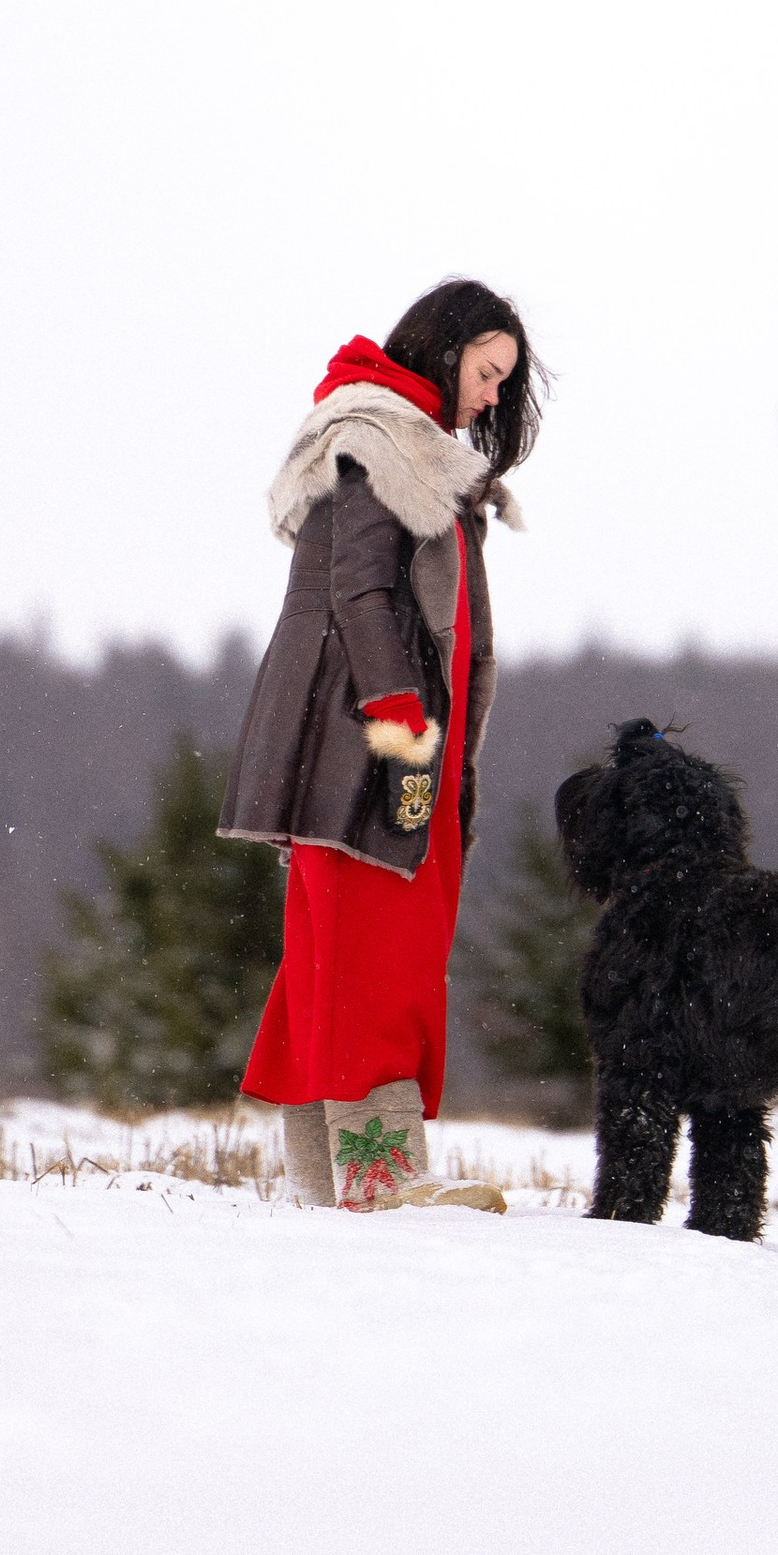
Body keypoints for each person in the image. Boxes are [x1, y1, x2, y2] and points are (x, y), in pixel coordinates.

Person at [219, 279, 540, 1210]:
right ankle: (380, 1180)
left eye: (500, 382)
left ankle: (331, 1185)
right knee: (372, 955)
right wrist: (401, 719)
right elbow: (360, 591)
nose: (488, 396)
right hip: (368, 747)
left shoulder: (403, 445)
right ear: (446, 349)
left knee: (330, 958)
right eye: (486, 372)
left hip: (372, 746)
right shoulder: (372, 438)